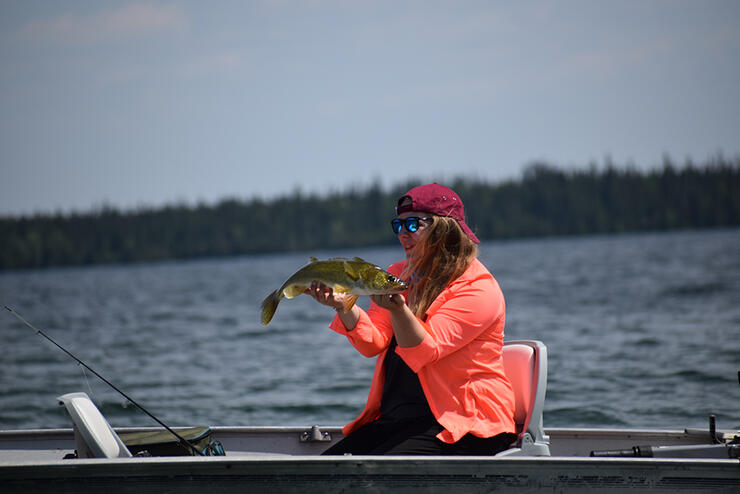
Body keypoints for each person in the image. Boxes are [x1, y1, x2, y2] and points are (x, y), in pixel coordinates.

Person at [307, 183, 516, 455]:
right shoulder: (399, 274)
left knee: (375, 473)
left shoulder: (478, 289)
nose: (403, 234)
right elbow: (373, 344)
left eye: (413, 225)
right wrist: (343, 307)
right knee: (328, 468)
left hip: (467, 424)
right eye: (398, 225)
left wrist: (399, 310)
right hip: (405, 420)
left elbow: (425, 352)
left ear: (444, 229)